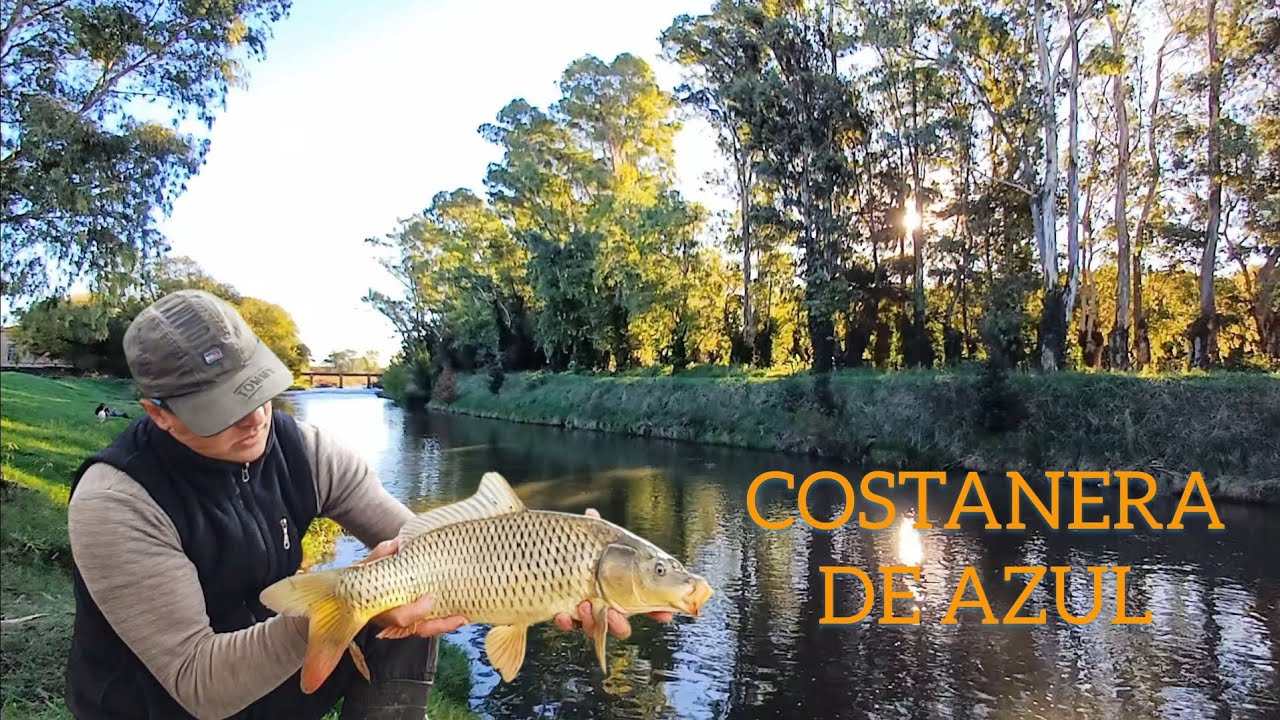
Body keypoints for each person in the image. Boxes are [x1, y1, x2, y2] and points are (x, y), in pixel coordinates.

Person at [65, 289, 672, 720]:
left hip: (286, 678)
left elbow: (424, 546)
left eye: (257, 389)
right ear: (159, 414)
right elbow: (199, 686)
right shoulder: (117, 501)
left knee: (411, 597)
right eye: (219, 410)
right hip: (170, 703)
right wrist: (346, 607)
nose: (253, 418)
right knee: (383, 600)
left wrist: (561, 562)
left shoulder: (303, 448)